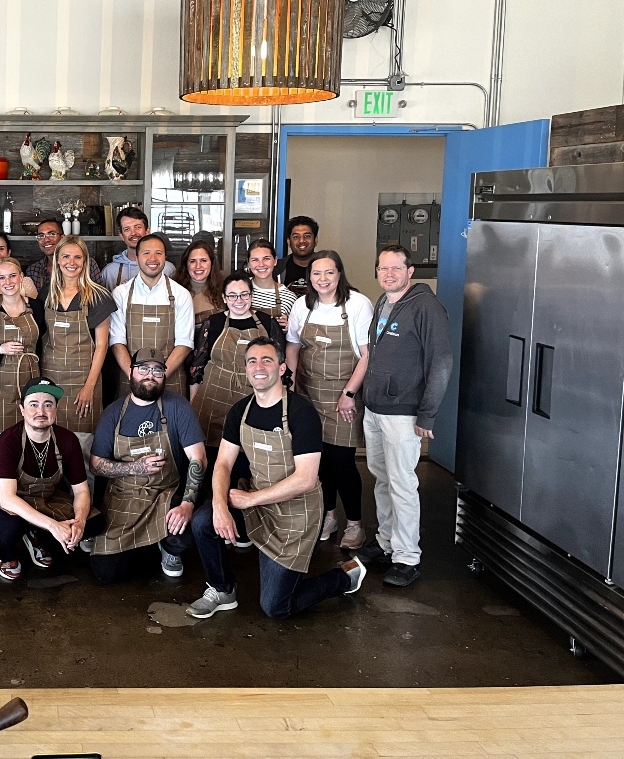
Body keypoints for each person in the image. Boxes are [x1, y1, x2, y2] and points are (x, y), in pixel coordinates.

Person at [187, 337, 366, 619]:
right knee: (202, 521)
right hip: (256, 501)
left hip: (296, 512)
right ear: (245, 369)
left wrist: (249, 500)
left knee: (276, 607)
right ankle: (222, 589)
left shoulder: (301, 412)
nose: (259, 367)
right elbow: (222, 463)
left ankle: (343, 577)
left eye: (267, 360)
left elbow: (306, 479)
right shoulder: (240, 411)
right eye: (252, 361)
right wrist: (221, 507)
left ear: (282, 368)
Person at [354, 244, 453, 588]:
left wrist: (427, 415)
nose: (390, 274)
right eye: (383, 268)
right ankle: (385, 542)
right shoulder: (384, 300)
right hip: (376, 408)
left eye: (397, 268)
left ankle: (407, 557)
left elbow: (441, 363)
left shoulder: (426, 307)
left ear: (411, 271)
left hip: (403, 413)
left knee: (402, 484)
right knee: (381, 478)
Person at [88, 349, 207, 583]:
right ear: (131, 372)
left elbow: (198, 459)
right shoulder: (114, 413)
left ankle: (170, 548)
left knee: (189, 525)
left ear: (164, 375)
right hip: (126, 496)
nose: (150, 375)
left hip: (166, 492)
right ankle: (149, 543)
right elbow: (95, 465)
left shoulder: (177, 406)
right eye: (143, 368)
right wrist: (135, 468)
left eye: (157, 370)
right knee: (105, 572)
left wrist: (186, 505)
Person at [285, 250, 373, 552]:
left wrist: (349, 394)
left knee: (342, 462)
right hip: (309, 394)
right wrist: (293, 384)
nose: (322, 279)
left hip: (343, 395)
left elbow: (366, 354)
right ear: (309, 277)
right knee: (318, 461)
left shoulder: (358, 304)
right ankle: (328, 516)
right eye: (316, 274)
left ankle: (355, 524)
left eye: (329, 273)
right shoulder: (302, 305)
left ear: (340, 274)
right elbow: (293, 346)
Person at [0, 377, 92, 580]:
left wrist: (79, 523)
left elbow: (81, 491)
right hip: (12, 503)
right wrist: (54, 526)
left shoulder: (67, 440)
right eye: (33, 404)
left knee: (94, 523)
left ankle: (35, 534)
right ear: (22, 409)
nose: (41, 412)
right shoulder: (8, 441)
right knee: (9, 529)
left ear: (55, 410)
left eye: (48, 405)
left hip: (47, 499)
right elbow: (7, 499)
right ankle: (6, 553)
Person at [189, 272, 284, 453]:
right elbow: (196, 369)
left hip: (255, 401)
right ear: (224, 298)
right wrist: (194, 408)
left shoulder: (267, 323)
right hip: (213, 401)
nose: (238, 300)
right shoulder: (214, 323)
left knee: (249, 456)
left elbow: (282, 369)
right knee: (213, 458)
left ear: (251, 296)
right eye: (232, 295)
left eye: (244, 294)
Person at [40, 237, 114, 455]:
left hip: (83, 381)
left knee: (81, 448)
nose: (71, 262)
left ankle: (84, 491)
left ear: (85, 262)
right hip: (50, 379)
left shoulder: (98, 295)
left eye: (77, 257)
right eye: (65, 256)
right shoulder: (46, 294)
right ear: (57, 260)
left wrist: (89, 387)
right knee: (50, 444)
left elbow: (102, 345)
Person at [109, 234, 194, 398]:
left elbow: (184, 343)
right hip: (131, 379)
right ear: (137, 257)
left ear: (165, 257)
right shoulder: (121, 293)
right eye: (146, 253)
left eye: (158, 253)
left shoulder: (181, 294)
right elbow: (117, 341)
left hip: (170, 379)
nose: (153, 258)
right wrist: (136, 378)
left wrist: (157, 377)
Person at [0, 257, 46, 440]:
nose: (7, 282)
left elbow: (42, 344)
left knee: (32, 440)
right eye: (2, 278)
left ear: (21, 277)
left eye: (12, 276)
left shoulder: (36, 307)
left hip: (30, 384)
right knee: (3, 444)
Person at [100, 206, 174, 289]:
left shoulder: (167, 269)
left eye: (138, 227)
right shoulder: (110, 272)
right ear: (122, 236)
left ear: (147, 231)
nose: (133, 233)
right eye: (127, 229)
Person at [24, 219, 98, 293]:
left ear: (62, 237)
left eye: (52, 234)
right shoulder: (33, 270)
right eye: (41, 235)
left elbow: (99, 297)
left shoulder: (87, 263)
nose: (46, 240)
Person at [246, 239, 296, 331]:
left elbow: (294, 337)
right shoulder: (240, 289)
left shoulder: (289, 297)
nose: (261, 264)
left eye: (266, 258)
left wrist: (290, 326)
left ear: (275, 261)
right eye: (255, 260)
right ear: (248, 263)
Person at [174, 239, 224, 330]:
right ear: (186, 264)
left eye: (203, 260)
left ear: (212, 263)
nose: (198, 266)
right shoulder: (174, 290)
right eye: (192, 261)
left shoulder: (225, 288)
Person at [280, 216, 319, 295]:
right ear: (288, 242)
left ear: (316, 240)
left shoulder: (328, 268)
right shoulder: (277, 269)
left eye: (307, 236)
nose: (302, 241)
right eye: (296, 237)